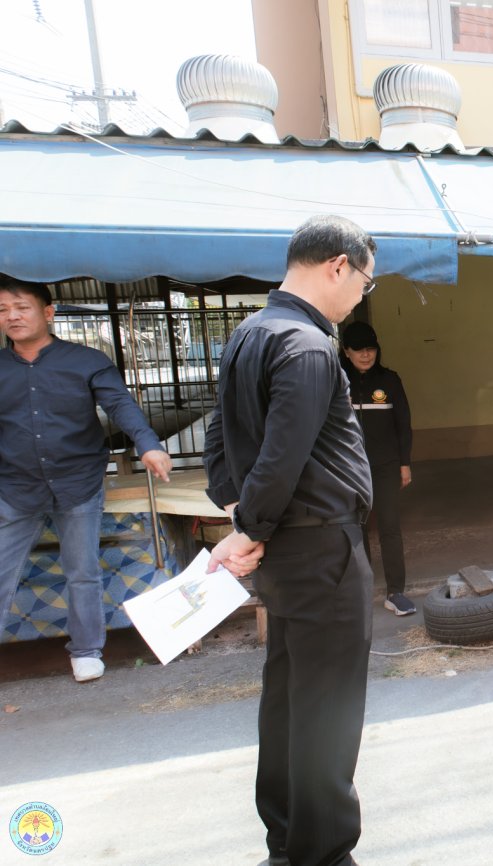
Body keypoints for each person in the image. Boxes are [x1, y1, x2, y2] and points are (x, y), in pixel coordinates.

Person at [203, 215, 376, 866]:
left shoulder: (250, 333)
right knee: (327, 705)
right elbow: (283, 455)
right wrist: (248, 528)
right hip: (320, 548)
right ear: (338, 265)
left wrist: (238, 514)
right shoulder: (307, 345)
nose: (360, 295)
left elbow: (220, 435)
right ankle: (322, 853)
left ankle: (285, 838)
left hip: (285, 549)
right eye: (365, 281)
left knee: (288, 694)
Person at [0, 278, 171, 683]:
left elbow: (120, 405)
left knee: (82, 571)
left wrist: (148, 444)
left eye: (21, 307)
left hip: (78, 482)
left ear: (47, 312)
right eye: (3, 310)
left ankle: (86, 650)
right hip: (15, 487)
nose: (12, 316)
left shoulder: (85, 361)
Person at [340, 320, 415, 617]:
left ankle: (396, 592)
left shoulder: (390, 380)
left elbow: (403, 425)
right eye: (359, 349)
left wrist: (405, 463)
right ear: (346, 351)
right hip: (349, 469)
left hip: (386, 465)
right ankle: (362, 590)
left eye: (370, 349)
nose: (366, 355)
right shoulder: (336, 381)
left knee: (390, 527)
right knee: (355, 529)